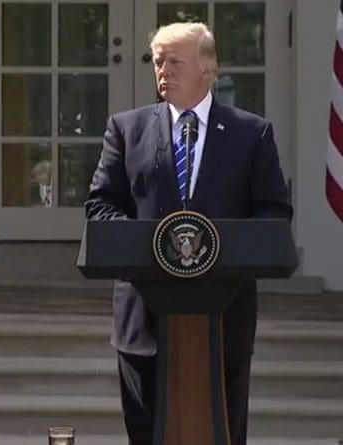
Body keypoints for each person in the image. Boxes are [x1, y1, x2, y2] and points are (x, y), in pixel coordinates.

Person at [84, 22, 291, 445]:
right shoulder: (127, 129)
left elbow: (273, 212)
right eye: (158, 62)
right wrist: (146, 246)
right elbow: (101, 206)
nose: (164, 70)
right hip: (144, 318)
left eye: (175, 62)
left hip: (224, 315)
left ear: (208, 69)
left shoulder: (252, 134)